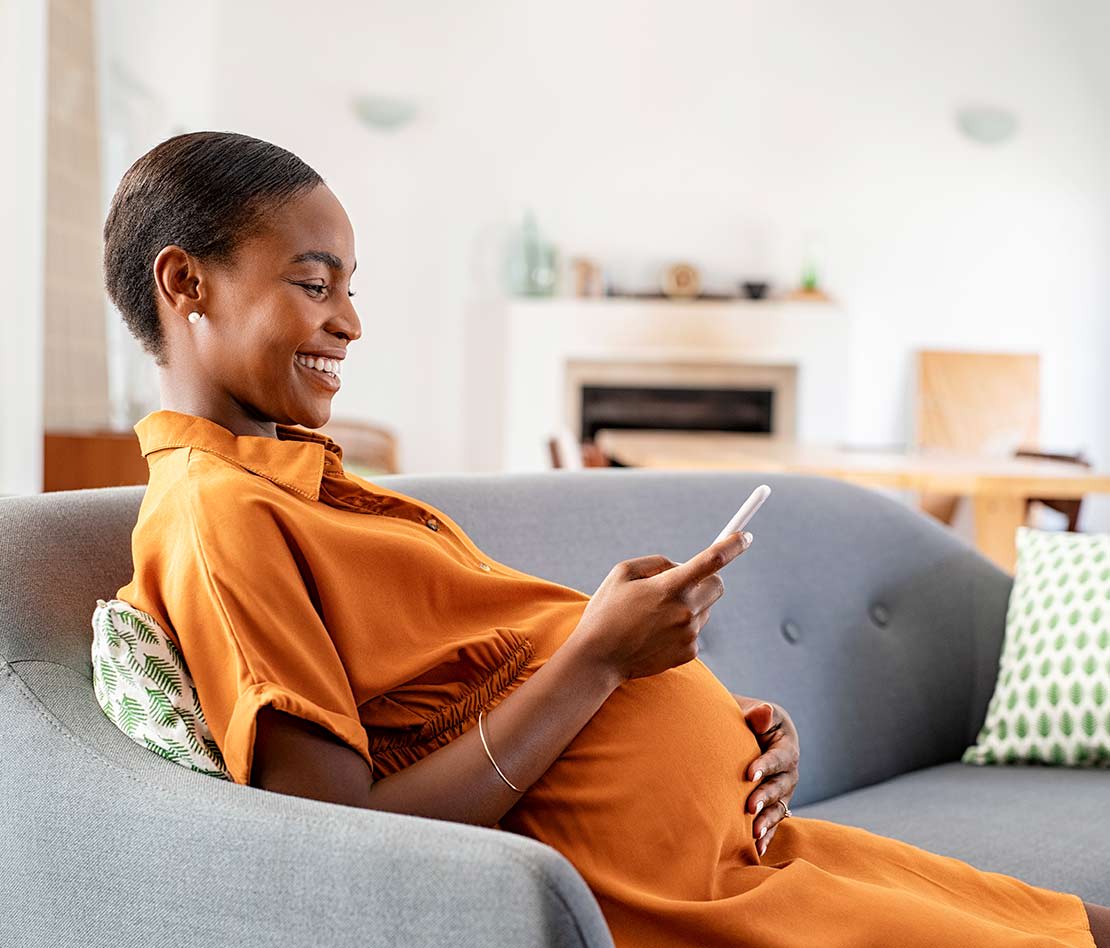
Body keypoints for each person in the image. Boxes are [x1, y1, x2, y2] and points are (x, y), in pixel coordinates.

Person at [104, 131, 1108, 948]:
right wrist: (597, 658)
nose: (352, 323)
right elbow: (338, 839)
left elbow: (468, 687)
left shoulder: (307, 484)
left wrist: (733, 734)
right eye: (316, 286)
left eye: (351, 287)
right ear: (186, 283)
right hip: (674, 901)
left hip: (755, 849)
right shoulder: (219, 514)